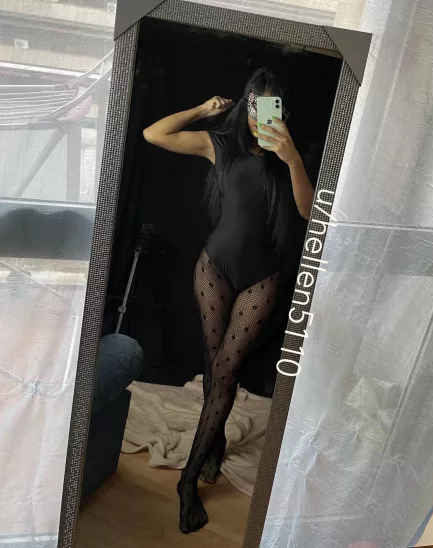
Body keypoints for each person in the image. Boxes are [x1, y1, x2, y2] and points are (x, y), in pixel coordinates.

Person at [143, 68, 313, 533]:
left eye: (273, 107)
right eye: (256, 105)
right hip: (214, 269)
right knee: (215, 363)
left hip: (262, 278)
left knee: (226, 370)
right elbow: (154, 134)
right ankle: (210, 448)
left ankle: (188, 479)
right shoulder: (220, 145)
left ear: (283, 111)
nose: (263, 117)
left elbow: (307, 211)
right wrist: (203, 109)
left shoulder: (290, 155)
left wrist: (292, 159)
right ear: (246, 103)